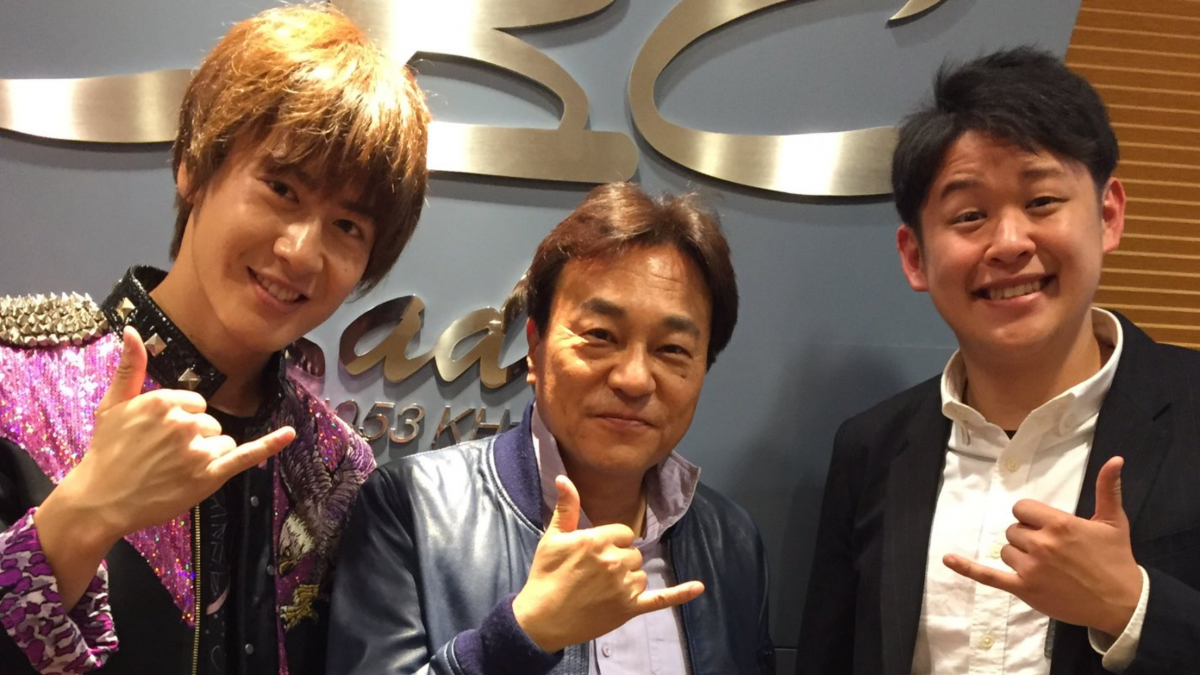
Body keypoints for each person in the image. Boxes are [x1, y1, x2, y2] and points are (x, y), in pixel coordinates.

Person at [0, 5, 429, 674]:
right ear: (195, 166)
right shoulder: (16, 383)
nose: (301, 251)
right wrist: (81, 514)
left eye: (348, 226)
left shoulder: (337, 467)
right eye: (281, 188)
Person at [796, 47, 1200, 675]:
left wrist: (1131, 608)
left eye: (1041, 202)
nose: (1009, 243)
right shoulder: (871, 448)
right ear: (915, 257)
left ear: (1108, 215)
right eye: (970, 216)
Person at [326, 182, 774, 675]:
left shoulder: (732, 541)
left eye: (672, 349)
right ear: (535, 349)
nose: (634, 379)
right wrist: (520, 636)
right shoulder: (411, 507)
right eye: (600, 335)